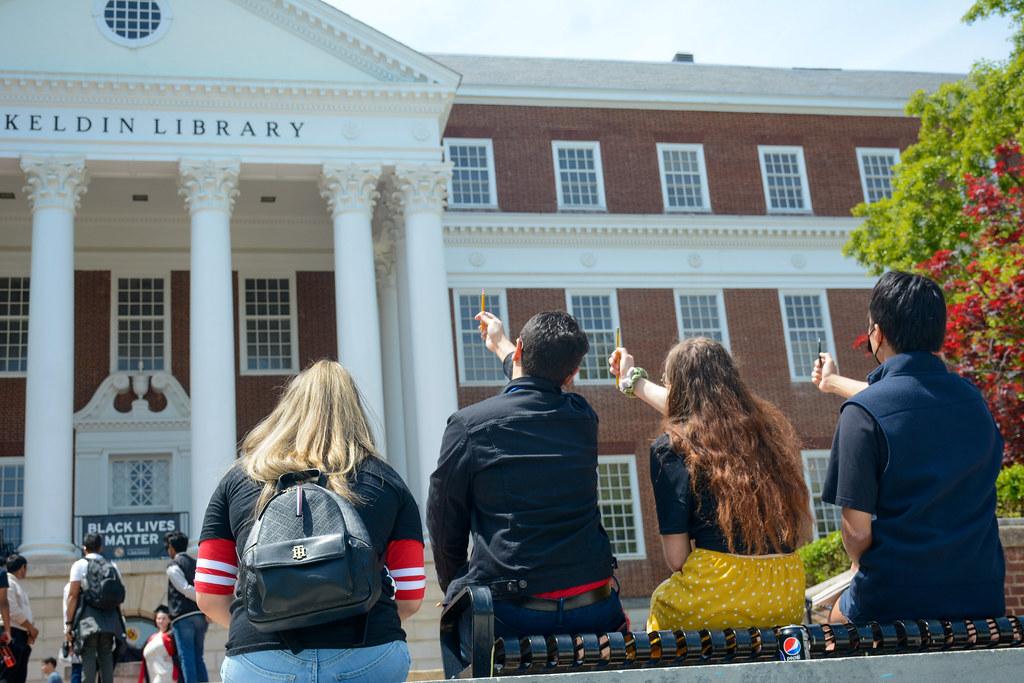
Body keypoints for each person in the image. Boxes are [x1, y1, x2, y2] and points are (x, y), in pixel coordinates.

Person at [196, 360, 424, 683]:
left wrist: (261, 625)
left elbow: (208, 594)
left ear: (287, 409)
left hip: (260, 657)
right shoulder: (386, 481)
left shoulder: (239, 480)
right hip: (368, 650)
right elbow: (411, 594)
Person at [813, 271, 1005, 623]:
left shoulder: (862, 415)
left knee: (827, 622)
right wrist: (832, 382)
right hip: (983, 596)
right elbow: (908, 399)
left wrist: (859, 565)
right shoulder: (973, 402)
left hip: (895, 597)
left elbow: (856, 532)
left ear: (877, 333)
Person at [428, 310, 625, 639]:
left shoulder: (469, 426)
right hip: (593, 607)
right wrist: (500, 344)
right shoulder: (583, 418)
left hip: (510, 613)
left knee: (456, 634)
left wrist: (455, 584)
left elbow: (443, 517)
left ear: (520, 349)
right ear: (572, 374)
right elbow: (536, 380)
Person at [608, 338, 812, 631]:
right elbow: (700, 412)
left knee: (663, 604)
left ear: (677, 389)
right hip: (785, 591)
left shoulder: (671, 448)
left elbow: (677, 558)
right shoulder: (767, 433)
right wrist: (632, 380)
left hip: (720, 591)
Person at [65, 534, 125, 683]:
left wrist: (68, 624)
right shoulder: (112, 565)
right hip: (109, 619)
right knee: (106, 656)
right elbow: (118, 597)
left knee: (88, 656)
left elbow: (72, 595)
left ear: (84, 548)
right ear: (101, 547)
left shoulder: (79, 565)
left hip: (88, 618)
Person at [163, 532, 206, 683]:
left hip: (183, 617)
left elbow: (185, 588)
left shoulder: (173, 565)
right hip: (200, 616)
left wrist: (199, 598)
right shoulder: (196, 563)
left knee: (186, 657)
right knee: (198, 657)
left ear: (172, 548)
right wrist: (204, 603)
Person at [3, 555, 38, 683]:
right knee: (8, 675)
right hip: (12, 633)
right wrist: (30, 628)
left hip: (21, 635)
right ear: (22, 568)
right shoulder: (7, 582)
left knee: (19, 676)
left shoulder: (15, 584)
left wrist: (30, 630)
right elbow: (12, 610)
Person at [138, 606, 178, 683]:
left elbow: (180, 653)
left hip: (166, 674)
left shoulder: (172, 635)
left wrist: (173, 659)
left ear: (169, 620)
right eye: (158, 618)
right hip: (152, 675)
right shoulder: (152, 638)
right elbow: (140, 653)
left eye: (164, 618)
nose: (160, 621)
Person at [60, 584, 82, 683]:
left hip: (77, 633)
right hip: (98, 633)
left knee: (77, 669)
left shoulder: (69, 587)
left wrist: (67, 632)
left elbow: (66, 613)